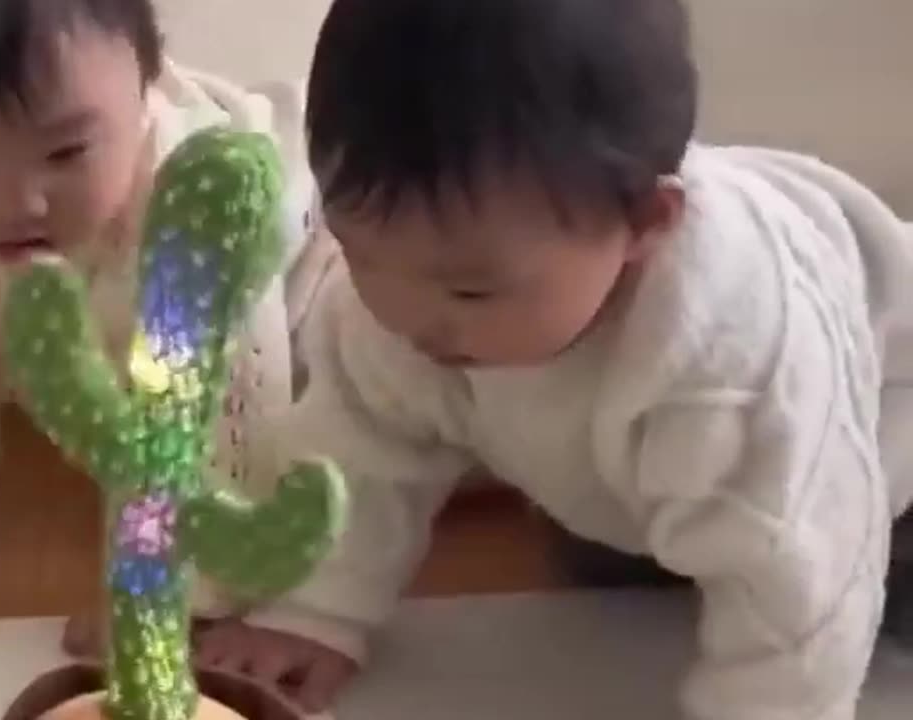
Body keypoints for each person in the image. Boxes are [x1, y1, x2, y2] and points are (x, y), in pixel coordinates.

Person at [193, 0, 913, 717]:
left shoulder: (738, 361)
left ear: (644, 225)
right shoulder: (412, 291)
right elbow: (357, 455)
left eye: (471, 289)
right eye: (358, 251)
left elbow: (800, 565)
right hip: (644, 479)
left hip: (875, 446)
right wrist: (317, 613)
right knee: (619, 563)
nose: (403, 314)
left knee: (825, 594)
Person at [0, 0, 333, 616]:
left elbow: (233, 411)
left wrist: (182, 594)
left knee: (370, 423)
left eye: (65, 153)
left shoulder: (197, 216)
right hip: (126, 367)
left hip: (321, 288)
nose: (21, 202)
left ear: (148, 75)